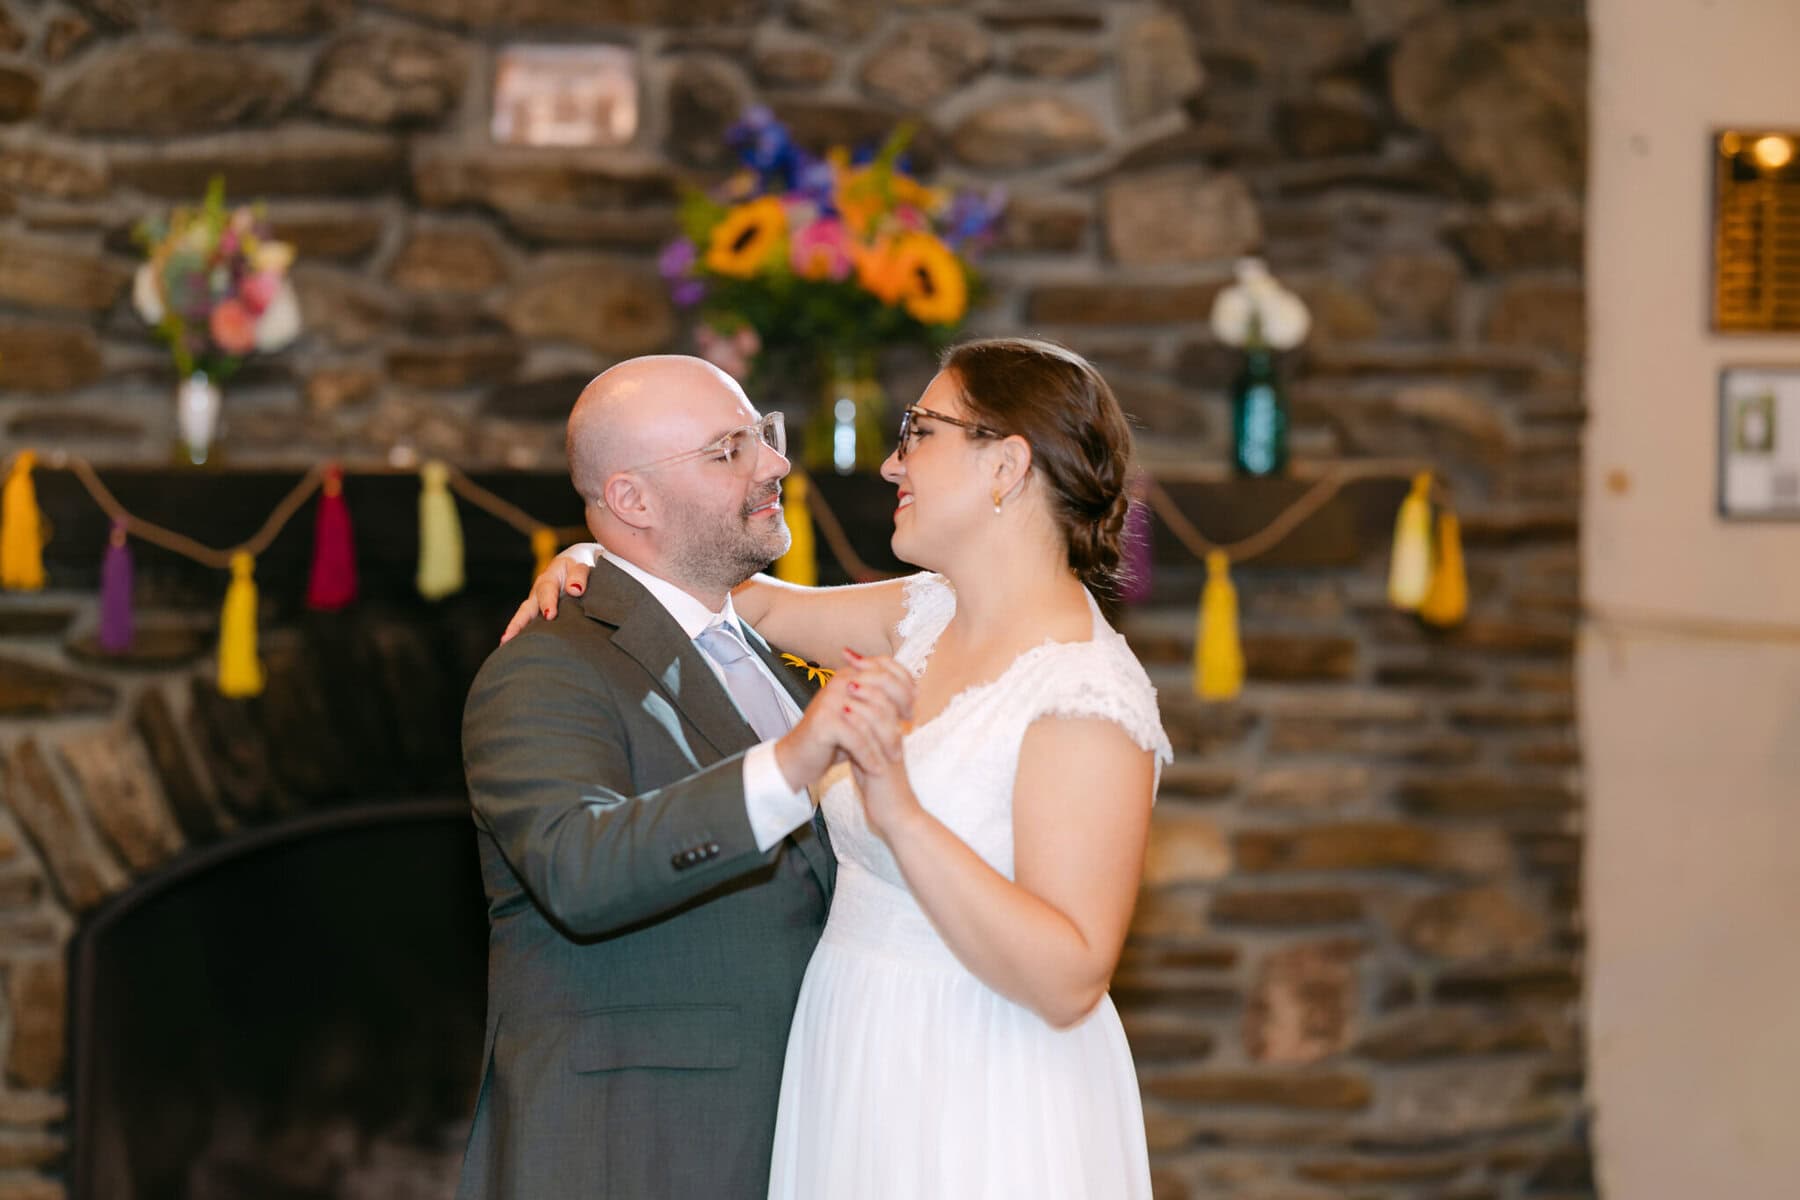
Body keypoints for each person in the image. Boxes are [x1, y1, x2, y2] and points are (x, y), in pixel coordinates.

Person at [513, 337, 1173, 1198]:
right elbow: (738, 601)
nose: (894, 463)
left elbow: (1068, 976)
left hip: (979, 1080)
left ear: (1006, 466)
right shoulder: (926, 612)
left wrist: (898, 811)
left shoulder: (1084, 695)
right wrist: (603, 554)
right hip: (853, 1052)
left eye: (921, 432)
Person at [458, 356, 913, 1199]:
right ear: (631, 500)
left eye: (762, 437)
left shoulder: (768, 653)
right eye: (728, 450)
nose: (775, 464)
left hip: (809, 1136)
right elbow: (577, 866)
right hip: (637, 1154)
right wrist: (790, 763)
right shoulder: (546, 668)